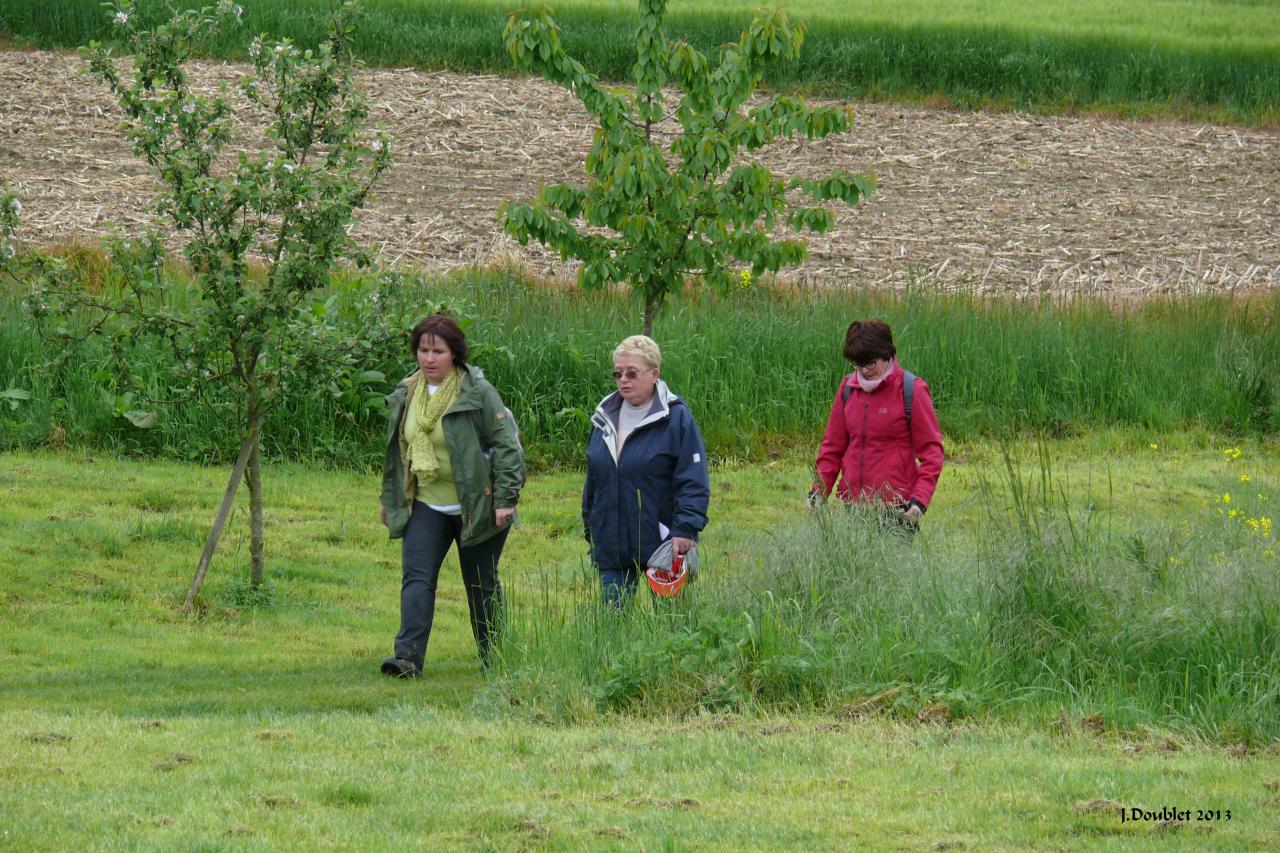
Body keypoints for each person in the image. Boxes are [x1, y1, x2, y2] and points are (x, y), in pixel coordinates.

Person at [378, 314, 524, 677]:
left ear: (454, 354)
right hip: (427, 502)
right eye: (423, 350)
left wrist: (505, 499)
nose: (429, 359)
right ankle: (407, 659)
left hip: (477, 505)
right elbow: (397, 451)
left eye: (437, 351)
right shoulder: (408, 391)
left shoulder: (477, 392)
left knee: (481, 585)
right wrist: (391, 498)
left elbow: (507, 447)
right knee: (417, 578)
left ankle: (496, 658)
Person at [583, 335, 710, 606]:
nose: (623, 379)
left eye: (631, 373)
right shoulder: (603, 416)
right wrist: (591, 524)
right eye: (617, 373)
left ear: (654, 374)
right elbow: (594, 479)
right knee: (611, 625)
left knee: (672, 625)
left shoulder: (676, 418)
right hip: (611, 541)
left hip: (663, 542)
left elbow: (693, 479)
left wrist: (685, 529)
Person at [813, 320, 944, 533]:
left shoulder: (912, 390)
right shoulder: (847, 388)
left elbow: (932, 453)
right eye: (858, 364)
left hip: (897, 511)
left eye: (870, 364)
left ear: (886, 354)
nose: (863, 370)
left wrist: (919, 501)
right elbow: (832, 448)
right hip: (854, 508)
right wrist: (818, 491)